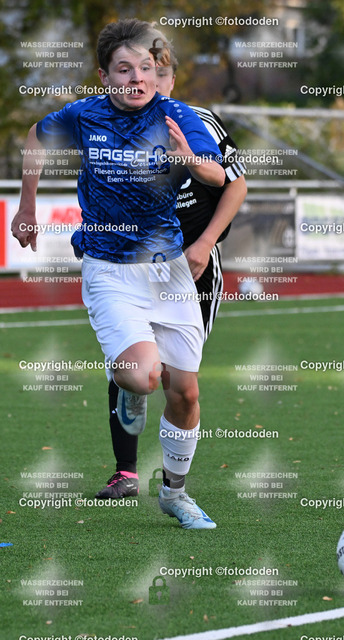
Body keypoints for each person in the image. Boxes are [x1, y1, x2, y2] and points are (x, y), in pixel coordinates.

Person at [11, 18, 225, 529]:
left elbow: (219, 175)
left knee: (186, 393)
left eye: (145, 68)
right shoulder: (84, 115)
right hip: (108, 270)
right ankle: (131, 383)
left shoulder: (177, 116)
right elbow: (35, 138)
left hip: (169, 273)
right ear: (104, 76)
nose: (137, 78)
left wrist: (191, 160)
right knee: (142, 375)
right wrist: (27, 206)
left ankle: (175, 494)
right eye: (124, 69)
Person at [97, 36, 247, 503]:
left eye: (158, 74)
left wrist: (204, 244)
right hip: (134, 267)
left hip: (193, 266)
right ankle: (125, 471)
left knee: (178, 380)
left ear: (172, 80)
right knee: (135, 365)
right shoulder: (112, 123)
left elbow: (236, 185)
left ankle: (173, 488)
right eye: (138, 72)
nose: (148, 83)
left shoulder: (199, 122)